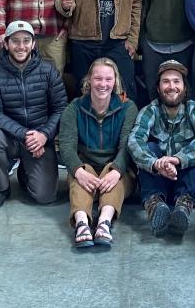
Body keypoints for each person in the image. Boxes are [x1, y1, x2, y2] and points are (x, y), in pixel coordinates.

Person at [0, 20, 69, 208]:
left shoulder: (48, 70)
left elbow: (62, 108)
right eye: (15, 41)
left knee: (45, 196)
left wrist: (44, 135)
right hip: (11, 138)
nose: (21, 46)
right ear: (6, 44)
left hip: (41, 140)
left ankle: (24, 172)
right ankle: (2, 186)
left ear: (33, 43)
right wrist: (25, 135)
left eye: (26, 41)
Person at [58, 58, 138, 249]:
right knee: (80, 175)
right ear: (89, 81)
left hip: (117, 169)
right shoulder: (74, 108)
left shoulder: (128, 108)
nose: (103, 84)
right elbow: (66, 146)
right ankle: (82, 224)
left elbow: (127, 145)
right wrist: (78, 170)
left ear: (115, 82)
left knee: (114, 176)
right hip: (87, 168)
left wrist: (117, 170)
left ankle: (104, 222)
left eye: (108, 79)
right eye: (98, 78)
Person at [128, 60, 195, 237]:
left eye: (176, 81)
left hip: (185, 175)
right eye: (165, 81)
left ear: (184, 87)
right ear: (158, 88)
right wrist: (155, 164)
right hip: (158, 177)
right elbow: (134, 140)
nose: (171, 86)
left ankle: (183, 207)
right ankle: (155, 206)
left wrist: (177, 159)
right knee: (149, 147)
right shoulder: (149, 110)